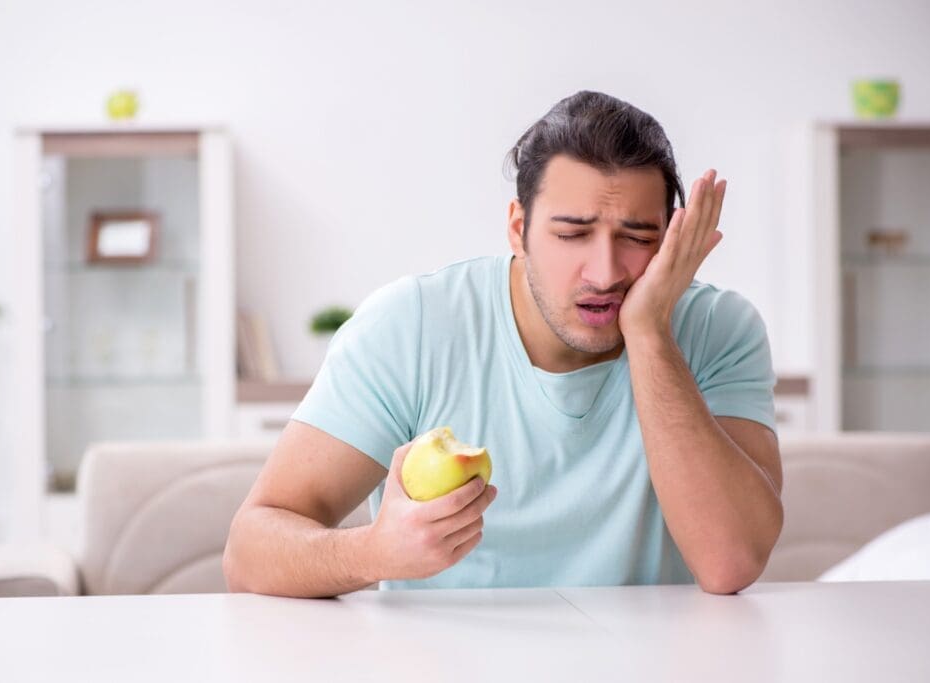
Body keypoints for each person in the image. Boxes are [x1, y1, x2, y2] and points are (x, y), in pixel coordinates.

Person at [223, 91, 783, 598]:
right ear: (518, 229)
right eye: (571, 235)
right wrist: (374, 552)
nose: (606, 272)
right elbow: (249, 552)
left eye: (638, 238)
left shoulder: (718, 328)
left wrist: (649, 330)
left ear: (671, 239)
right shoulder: (414, 325)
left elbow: (729, 563)